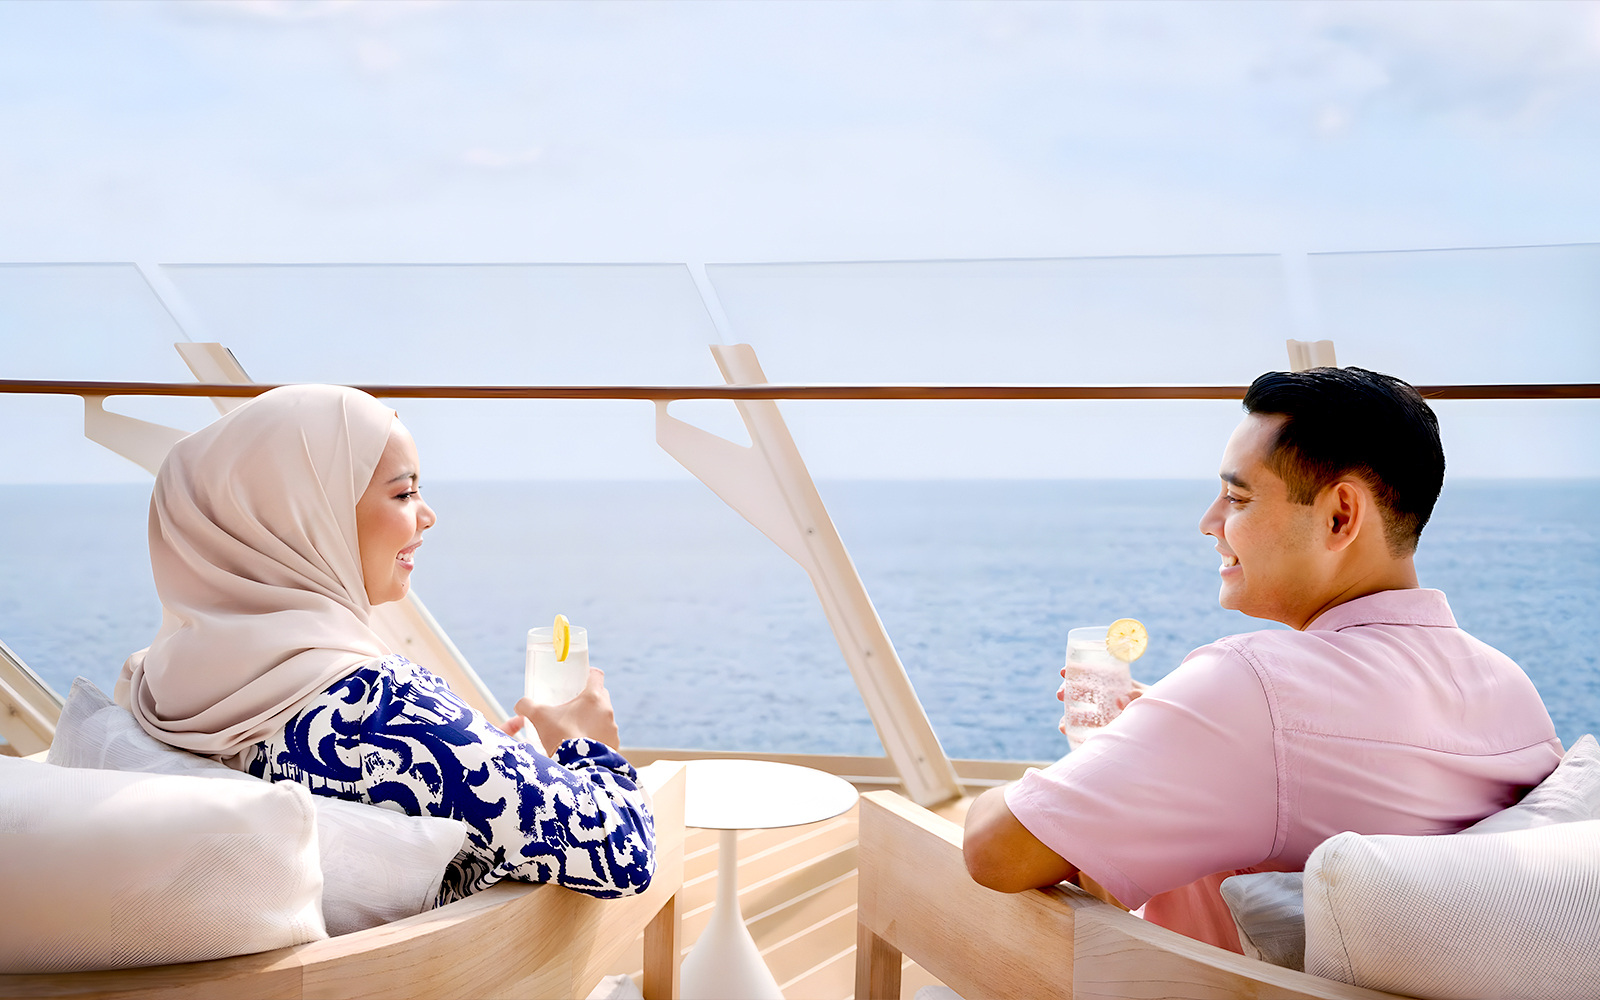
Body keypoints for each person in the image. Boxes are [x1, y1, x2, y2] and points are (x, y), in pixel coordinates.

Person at [962, 366, 1563, 952]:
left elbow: (995, 850)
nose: (1209, 523)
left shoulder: (1255, 686)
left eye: (1237, 498)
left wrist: (1110, 748)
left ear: (1340, 516)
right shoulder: (1510, 689)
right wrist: (1164, 731)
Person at [115, 383, 654, 905]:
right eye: (404, 492)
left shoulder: (155, 689)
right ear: (310, 515)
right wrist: (584, 743)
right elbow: (624, 852)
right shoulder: (382, 708)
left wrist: (491, 755)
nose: (428, 515)